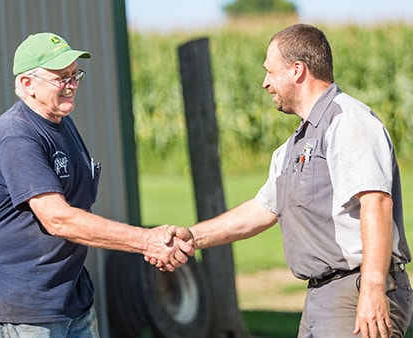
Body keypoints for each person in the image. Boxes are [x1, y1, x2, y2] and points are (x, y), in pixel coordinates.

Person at [164, 23, 412, 338]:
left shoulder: (347, 121)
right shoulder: (293, 146)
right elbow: (262, 210)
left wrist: (373, 289)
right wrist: (192, 237)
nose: (265, 82)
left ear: (297, 70)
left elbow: (376, 203)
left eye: (270, 71)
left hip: (356, 288)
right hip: (320, 296)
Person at [0, 32, 195, 337]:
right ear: (27, 84)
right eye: (60, 78)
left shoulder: (61, 122)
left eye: (74, 74)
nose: (72, 85)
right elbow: (58, 218)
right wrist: (146, 240)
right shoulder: (16, 134)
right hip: (27, 306)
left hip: (71, 296)